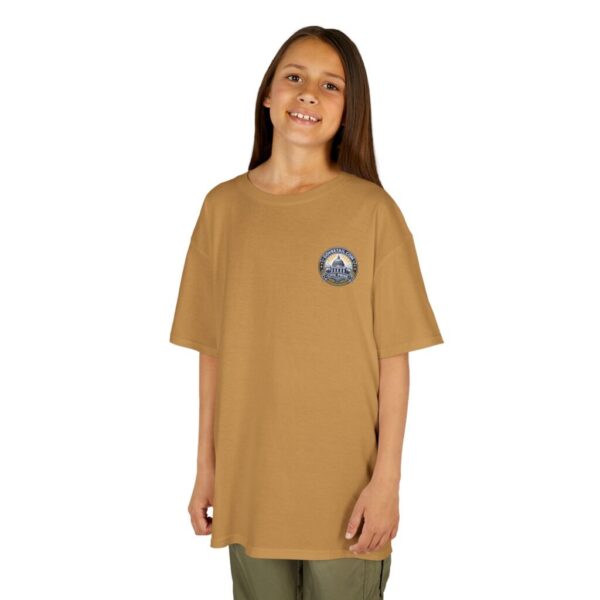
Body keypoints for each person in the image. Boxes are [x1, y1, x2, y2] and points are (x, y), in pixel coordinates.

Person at [169, 25, 444, 600]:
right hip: (251, 487)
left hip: (346, 499)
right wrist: (206, 468)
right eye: (294, 77)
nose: (308, 94)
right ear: (268, 94)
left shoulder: (373, 212)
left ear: (348, 111)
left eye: (330, 85)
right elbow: (211, 352)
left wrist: (387, 482)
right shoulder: (223, 209)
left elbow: (394, 359)